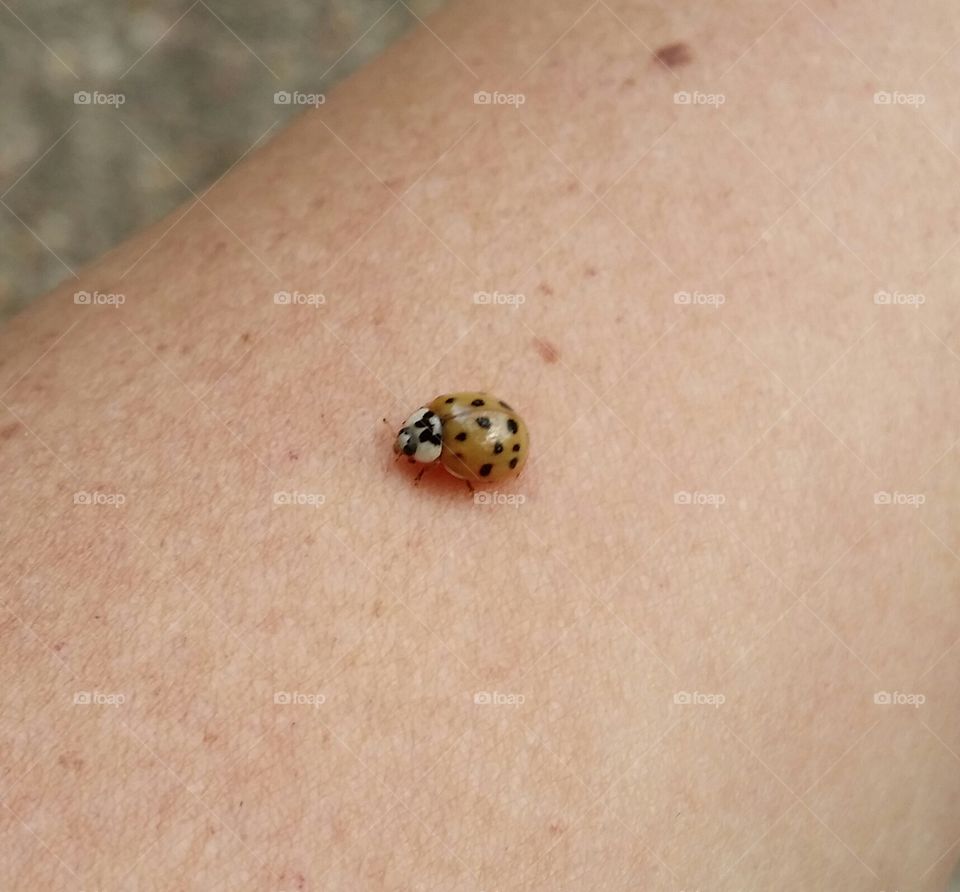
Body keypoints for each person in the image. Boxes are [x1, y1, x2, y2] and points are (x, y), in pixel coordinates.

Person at [2, 0, 959, 887]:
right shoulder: (452, 436)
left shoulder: (463, 449)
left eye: (421, 448)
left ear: (441, 450)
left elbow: (475, 455)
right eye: (421, 446)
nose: (415, 451)